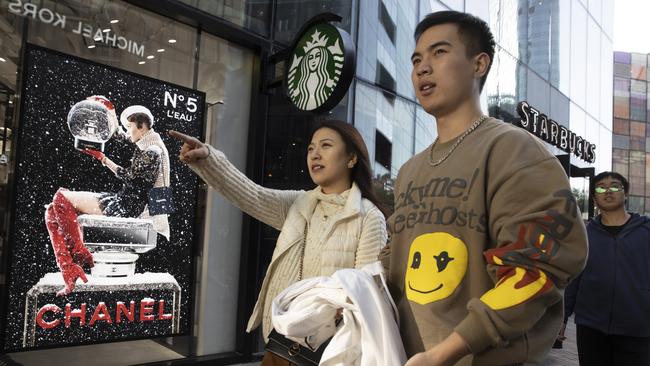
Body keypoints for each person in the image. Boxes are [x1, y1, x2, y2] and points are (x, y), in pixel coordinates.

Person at [380, 11, 588, 366]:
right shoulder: (410, 170)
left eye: (439, 52)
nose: (422, 67)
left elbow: (538, 268)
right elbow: (395, 258)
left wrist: (446, 353)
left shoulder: (515, 151)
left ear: (479, 64)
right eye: (416, 59)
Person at [168, 120, 387, 365]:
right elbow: (251, 194)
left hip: (330, 352)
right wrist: (208, 159)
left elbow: (367, 295)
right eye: (311, 148)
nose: (315, 154)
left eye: (326, 146)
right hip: (282, 342)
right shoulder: (299, 204)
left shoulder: (369, 217)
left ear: (351, 158)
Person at [45, 104, 171, 295]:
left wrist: (104, 159)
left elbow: (129, 176)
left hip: (126, 207)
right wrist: (110, 114)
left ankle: (78, 253)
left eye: (130, 127)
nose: (127, 133)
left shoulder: (153, 151)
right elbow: (122, 136)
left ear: (142, 126)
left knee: (61, 198)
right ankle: (68, 268)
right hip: (123, 200)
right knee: (52, 211)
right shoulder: (148, 142)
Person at [564, 172, 650, 366]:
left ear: (625, 193)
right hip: (591, 326)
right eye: (601, 187)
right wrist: (562, 317)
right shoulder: (583, 235)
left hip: (637, 327)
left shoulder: (646, 230)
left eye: (615, 186)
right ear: (594, 198)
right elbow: (573, 278)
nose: (608, 191)